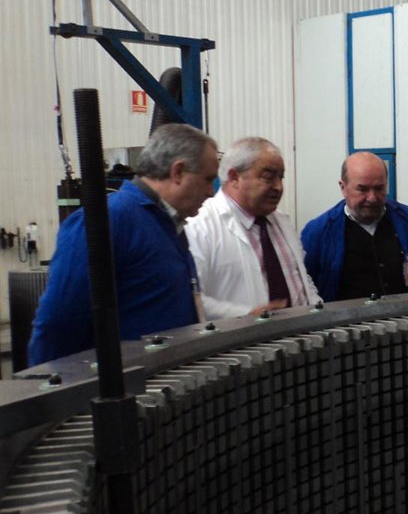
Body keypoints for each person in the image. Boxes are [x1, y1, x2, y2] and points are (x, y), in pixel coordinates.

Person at [28, 124, 220, 364]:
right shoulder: (109, 220)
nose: (211, 192)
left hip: (164, 378)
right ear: (178, 172)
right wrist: (49, 384)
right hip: (125, 381)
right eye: (208, 180)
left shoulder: (169, 226)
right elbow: (59, 322)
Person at [188, 136, 319, 318]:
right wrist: (248, 315)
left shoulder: (281, 221)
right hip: (243, 334)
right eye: (268, 177)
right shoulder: (199, 226)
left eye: (281, 178)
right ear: (234, 177)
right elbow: (194, 300)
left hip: (303, 331)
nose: (279, 187)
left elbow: (300, 277)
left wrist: (317, 308)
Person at [301, 152, 408, 301]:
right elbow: (305, 290)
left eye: (379, 188)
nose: (372, 198)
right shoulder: (318, 232)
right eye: (362, 189)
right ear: (343, 187)